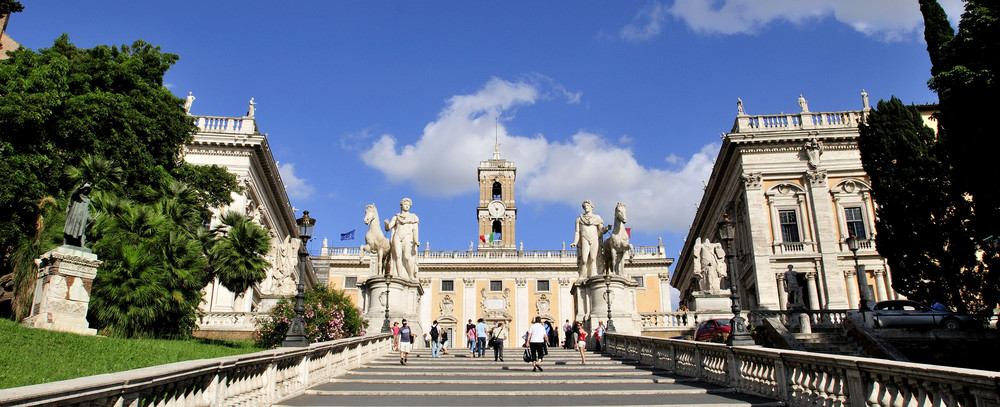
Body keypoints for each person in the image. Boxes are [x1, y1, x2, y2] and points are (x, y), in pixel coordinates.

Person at [384, 198, 420, 280]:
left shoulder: (413, 217)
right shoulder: (396, 217)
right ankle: (399, 277)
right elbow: (388, 228)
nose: (407, 206)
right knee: (397, 256)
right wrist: (386, 224)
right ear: (401, 205)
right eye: (405, 204)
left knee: (407, 256)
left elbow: (415, 230)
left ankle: (410, 275)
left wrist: (416, 241)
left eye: (408, 205)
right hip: (397, 236)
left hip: (407, 236)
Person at [571, 200, 607, 278]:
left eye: (587, 205)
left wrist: (606, 229)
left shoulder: (597, 218)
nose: (586, 207)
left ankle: (593, 274)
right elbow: (577, 232)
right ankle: (582, 275)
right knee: (584, 259)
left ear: (591, 207)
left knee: (594, 258)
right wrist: (575, 242)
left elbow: (601, 230)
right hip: (584, 238)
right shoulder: (579, 219)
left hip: (594, 238)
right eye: (584, 206)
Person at [64, 183, 96, 247]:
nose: (86, 190)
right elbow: (74, 193)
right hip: (73, 216)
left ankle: (82, 244)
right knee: (69, 229)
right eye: (85, 188)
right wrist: (80, 186)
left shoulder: (87, 200)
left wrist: (90, 219)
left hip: (81, 218)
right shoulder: (76, 196)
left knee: (81, 231)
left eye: (88, 189)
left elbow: (87, 211)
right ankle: (65, 242)